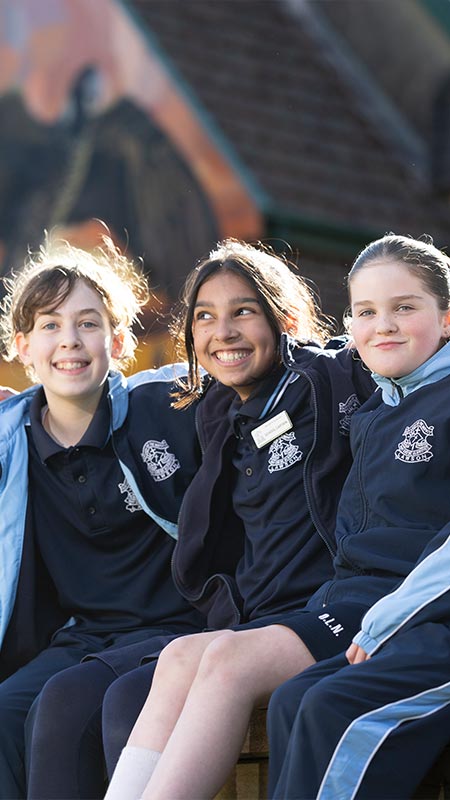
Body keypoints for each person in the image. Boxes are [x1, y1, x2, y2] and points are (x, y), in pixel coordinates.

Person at [102, 238, 374, 800]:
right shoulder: (219, 412)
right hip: (263, 617)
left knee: (222, 659)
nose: (222, 332)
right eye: (205, 317)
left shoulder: (332, 379)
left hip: (338, 607)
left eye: (242, 312)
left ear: (285, 317)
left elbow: (389, 342)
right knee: (176, 657)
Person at [0, 235, 206, 799]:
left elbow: (252, 376)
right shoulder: (10, 446)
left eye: (88, 323)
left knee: (61, 712)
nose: (70, 341)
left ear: (118, 340)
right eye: (49, 325)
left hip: (177, 630)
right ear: (21, 346)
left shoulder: (165, 409)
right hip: (83, 636)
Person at [267, 233, 450, 800]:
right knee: (290, 700)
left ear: (446, 318)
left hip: (429, 620)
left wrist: (390, 617)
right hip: (394, 619)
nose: (384, 325)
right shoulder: (377, 407)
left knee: (333, 708)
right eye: (367, 312)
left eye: (405, 307)